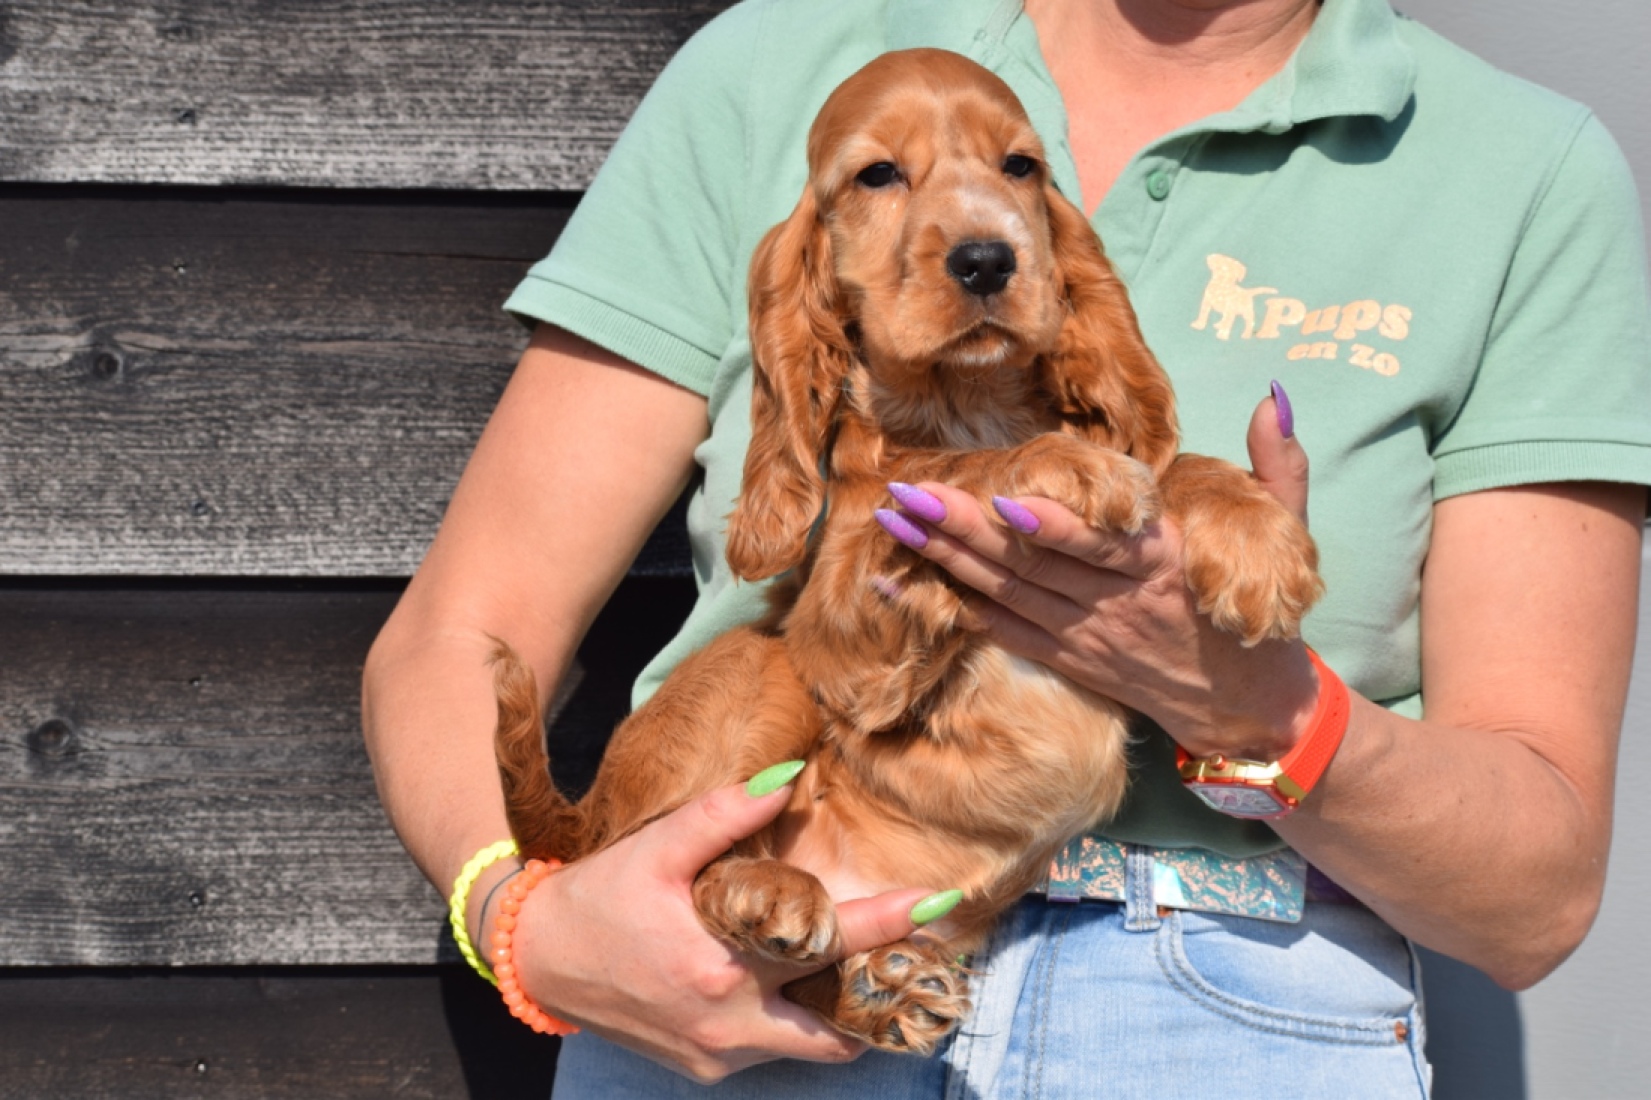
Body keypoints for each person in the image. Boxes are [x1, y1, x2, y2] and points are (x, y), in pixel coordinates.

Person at [362, 0, 1651, 1094]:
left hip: (1234, 1010)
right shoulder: (778, 62)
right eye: (881, 181)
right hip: (746, 974)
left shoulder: (1518, 171)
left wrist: (1265, 712)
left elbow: (1532, 900)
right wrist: (522, 921)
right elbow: (462, 629)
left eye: (1017, 175)